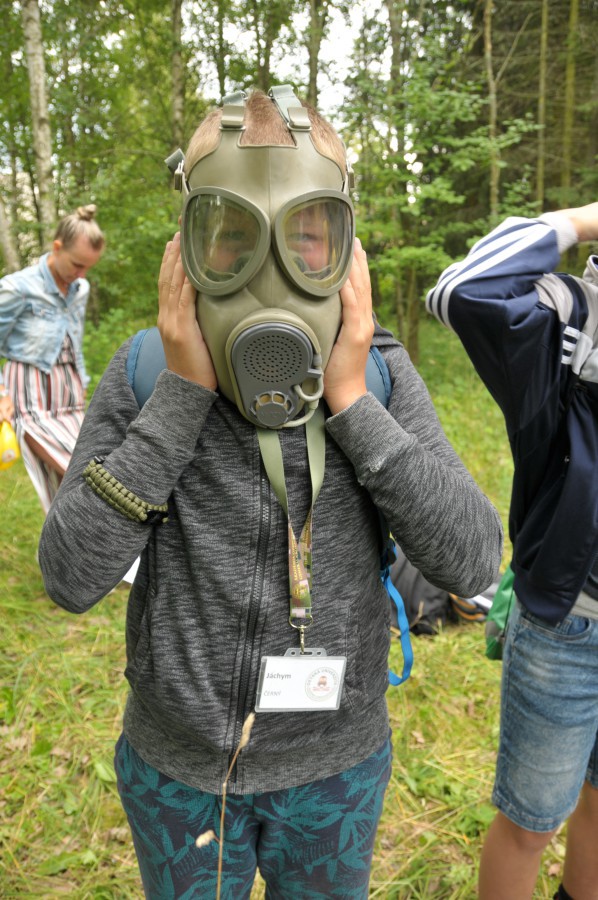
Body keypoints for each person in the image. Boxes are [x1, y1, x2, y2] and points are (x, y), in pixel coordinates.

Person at [39, 85, 502, 898]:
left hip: (335, 769)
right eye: (230, 239)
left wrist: (352, 402)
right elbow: (70, 576)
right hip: (178, 770)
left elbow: (473, 559)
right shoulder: (147, 374)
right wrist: (180, 399)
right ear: (185, 252)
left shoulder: (380, 376)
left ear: (347, 253)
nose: (270, 276)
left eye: (307, 238)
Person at [426, 203, 598, 900]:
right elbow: (462, 291)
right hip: (570, 626)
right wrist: (581, 220)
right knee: (531, 825)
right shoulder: (569, 317)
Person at [0, 205, 105, 512]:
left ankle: (73, 540)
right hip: (31, 401)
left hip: (69, 398)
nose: (82, 275)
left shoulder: (80, 288)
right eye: (77, 264)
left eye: (88, 268)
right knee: (85, 475)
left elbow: (74, 339)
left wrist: (81, 381)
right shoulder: (18, 288)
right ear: (57, 247)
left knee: (69, 490)